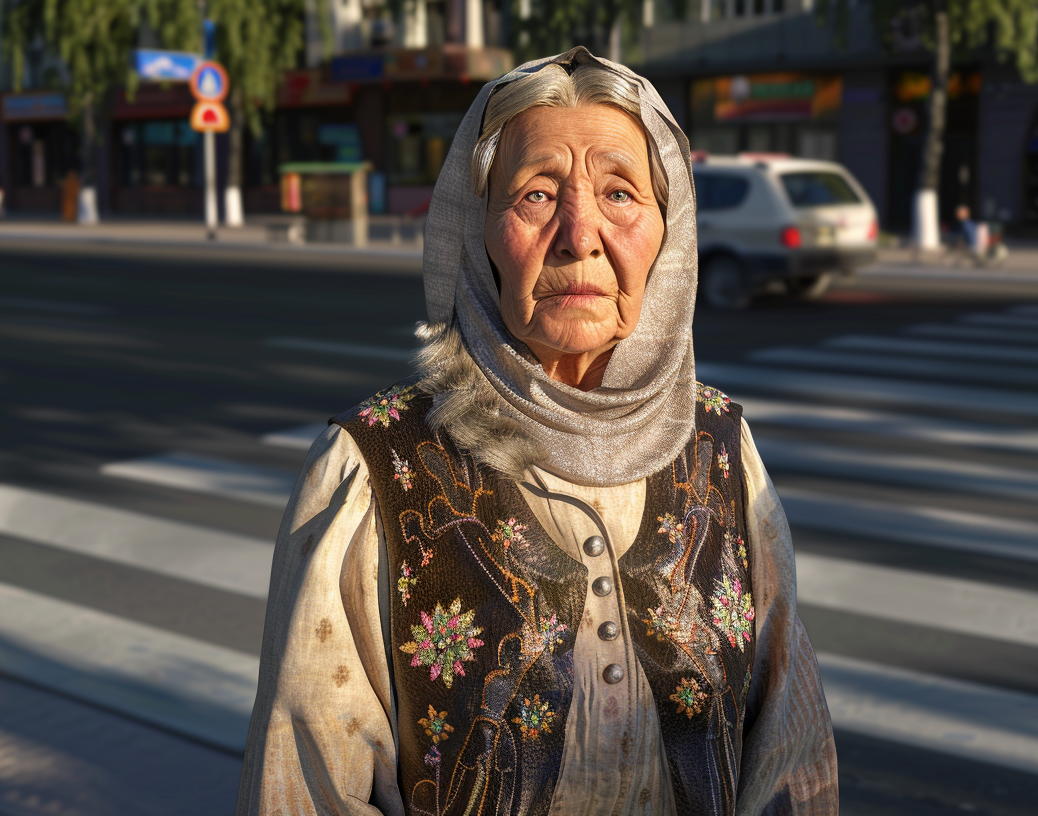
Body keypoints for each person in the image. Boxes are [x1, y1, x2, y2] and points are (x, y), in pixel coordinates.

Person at [238, 47, 837, 816]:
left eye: (621, 193)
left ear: (669, 234)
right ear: (477, 233)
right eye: (536, 195)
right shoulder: (376, 467)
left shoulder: (719, 444)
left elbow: (791, 748)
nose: (579, 234)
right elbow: (308, 786)